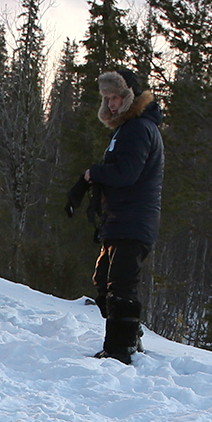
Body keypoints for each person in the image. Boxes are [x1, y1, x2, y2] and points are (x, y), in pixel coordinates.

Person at [74, 66, 164, 364]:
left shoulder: (139, 129)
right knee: (104, 280)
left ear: (130, 97)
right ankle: (130, 335)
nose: (111, 104)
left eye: (116, 97)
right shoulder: (126, 129)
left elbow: (127, 173)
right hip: (119, 221)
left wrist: (93, 173)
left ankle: (119, 349)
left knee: (121, 285)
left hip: (134, 222)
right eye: (107, 99)